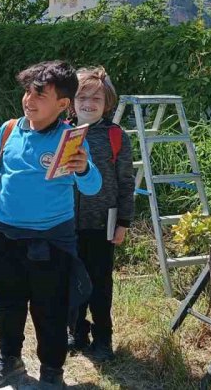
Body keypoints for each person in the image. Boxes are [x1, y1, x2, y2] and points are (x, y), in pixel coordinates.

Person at [0, 60, 101, 390]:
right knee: (6, 303)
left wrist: (83, 168)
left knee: (50, 310)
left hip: (51, 242)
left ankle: (52, 371)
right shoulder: (10, 129)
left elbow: (92, 187)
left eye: (40, 95)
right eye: (27, 92)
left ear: (63, 104)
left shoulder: (69, 139)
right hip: (5, 236)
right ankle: (9, 359)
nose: (29, 100)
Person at [69, 67, 134, 362]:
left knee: (99, 284)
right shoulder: (61, 132)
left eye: (96, 98)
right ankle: (76, 332)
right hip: (65, 224)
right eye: (82, 97)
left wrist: (123, 222)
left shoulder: (115, 136)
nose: (89, 104)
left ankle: (103, 338)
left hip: (101, 224)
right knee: (70, 281)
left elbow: (126, 182)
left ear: (107, 103)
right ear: (71, 101)